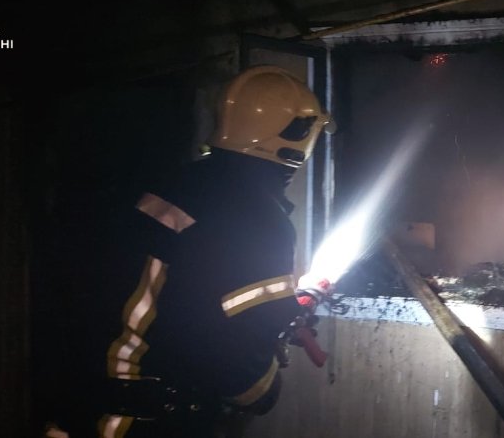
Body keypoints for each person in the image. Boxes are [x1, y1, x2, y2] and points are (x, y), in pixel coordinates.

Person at [49, 65, 333, 438]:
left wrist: (276, 316)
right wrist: (267, 384)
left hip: (78, 410)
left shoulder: (177, 185)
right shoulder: (260, 221)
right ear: (298, 136)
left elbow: (187, 301)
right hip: (145, 422)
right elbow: (239, 371)